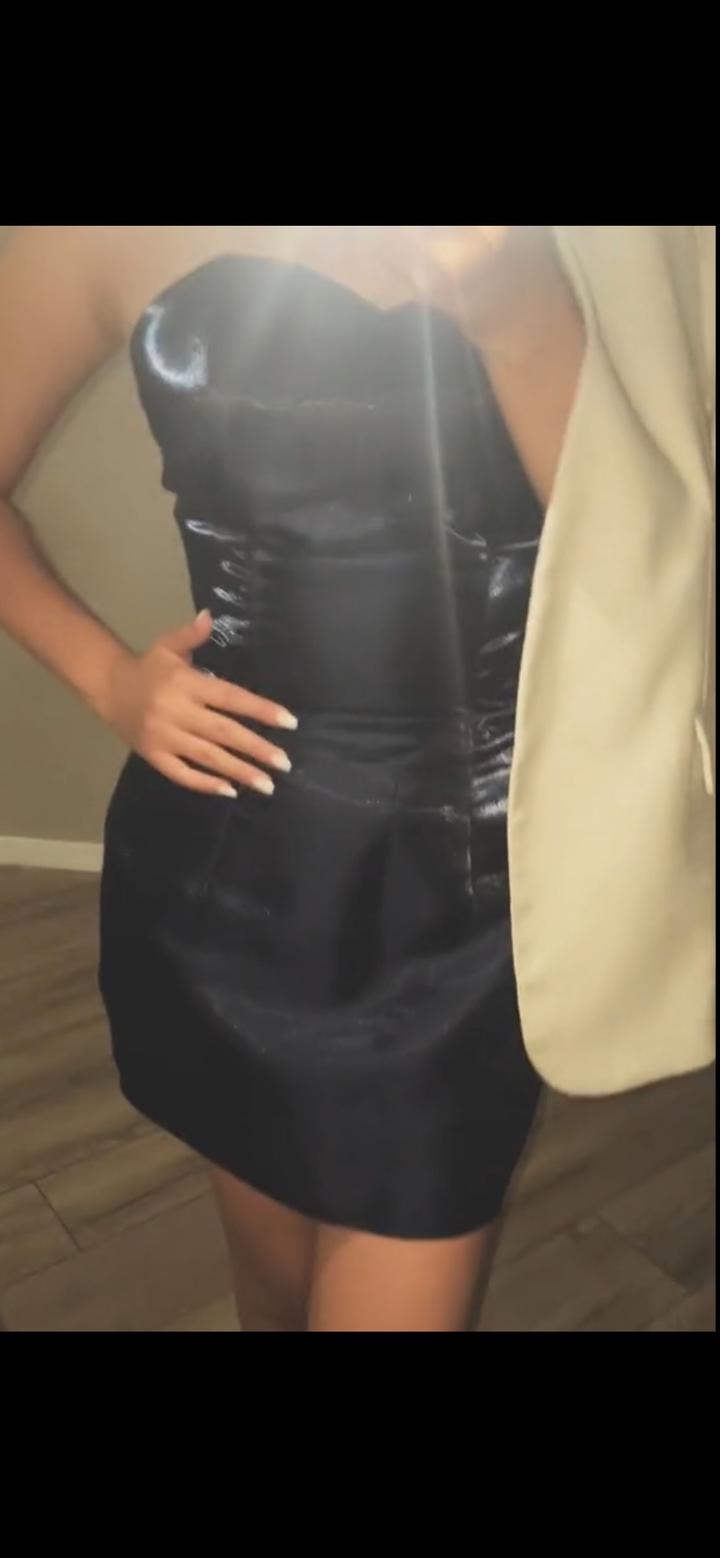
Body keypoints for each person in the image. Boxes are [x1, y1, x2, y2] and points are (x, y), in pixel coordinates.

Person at [0, 226, 712, 1331]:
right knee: (274, 1293)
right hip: (231, 869)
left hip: (478, 897)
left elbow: (648, 575)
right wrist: (110, 682)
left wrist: (520, 312)